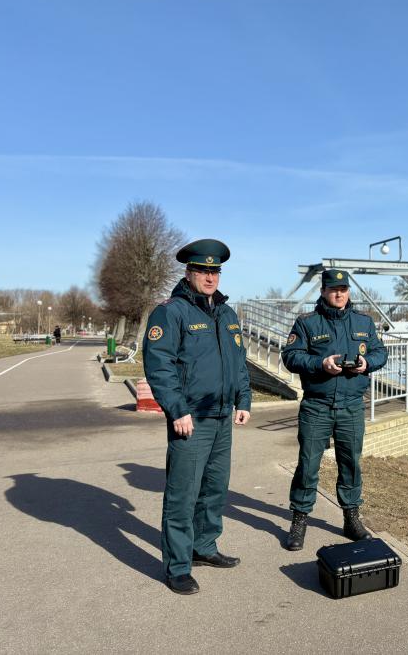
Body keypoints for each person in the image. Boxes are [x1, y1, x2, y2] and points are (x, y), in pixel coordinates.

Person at [142, 238, 252, 595]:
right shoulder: (171, 311)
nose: (210, 277)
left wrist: (244, 399)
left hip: (222, 418)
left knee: (214, 489)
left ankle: (204, 547)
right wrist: (177, 410)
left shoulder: (226, 313)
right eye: (203, 270)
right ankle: (176, 566)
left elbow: (239, 362)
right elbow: (160, 366)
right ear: (188, 272)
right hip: (191, 419)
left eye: (215, 271)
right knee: (182, 494)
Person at [281, 268, 388, 550]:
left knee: (350, 463)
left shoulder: (364, 322)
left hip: (352, 407)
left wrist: (368, 364)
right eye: (333, 289)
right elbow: (290, 357)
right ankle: (299, 520)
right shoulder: (307, 323)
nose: (338, 294)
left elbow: (380, 352)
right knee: (308, 464)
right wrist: (321, 364)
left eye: (343, 289)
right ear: (323, 291)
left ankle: (351, 518)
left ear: (348, 292)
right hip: (317, 406)